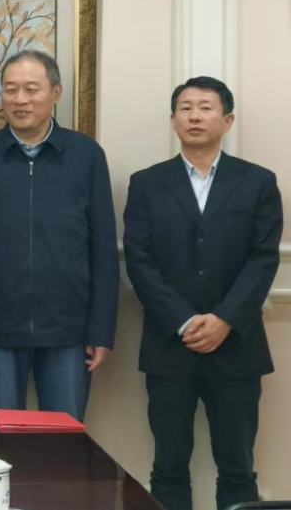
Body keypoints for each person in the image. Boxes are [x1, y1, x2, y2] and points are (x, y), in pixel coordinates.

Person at [124, 76, 282, 510]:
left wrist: (225, 319)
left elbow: (263, 258)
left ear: (227, 120)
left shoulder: (258, 182)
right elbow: (139, 259)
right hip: (169, 345)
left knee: (238, 467)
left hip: (237, 345)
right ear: (174, 119)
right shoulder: (147, 183)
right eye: (186, 107)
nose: (195, 116)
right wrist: (185, 320)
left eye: (206, 107)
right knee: (168, 466)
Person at [0, 49, 118, 421]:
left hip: (68, 329)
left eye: (31, 89)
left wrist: (101, 330)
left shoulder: (86, 155)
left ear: (55, 93)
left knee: (64, 439)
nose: (20, 99)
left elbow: (103, 250)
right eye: (10, 89)